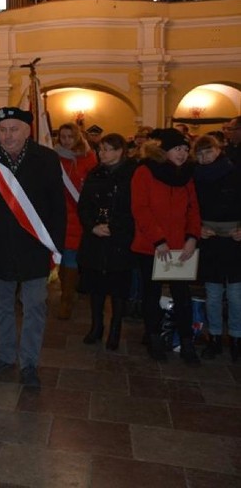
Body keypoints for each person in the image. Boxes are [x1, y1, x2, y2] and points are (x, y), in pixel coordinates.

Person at [0, 107, 66, 388]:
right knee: (1, 306)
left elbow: (57, 208)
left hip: (34, 248)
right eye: (2, 130)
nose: (7, 135)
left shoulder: (47, 159)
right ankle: (5, 355)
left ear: (28, 131)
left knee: (34, 307)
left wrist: (55, 247)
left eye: (13, 129)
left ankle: (29, 363)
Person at [131, 129, 200, 364]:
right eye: (177, 149)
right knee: (151, 294)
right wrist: (158, 239)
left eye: (185, 150)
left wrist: (192, 237)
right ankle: (153, 338)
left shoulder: (186, 175)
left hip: (181, 246)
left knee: (182, 295)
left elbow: (193, 208)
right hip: (151, 245)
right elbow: (141, 208)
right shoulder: (145, 171)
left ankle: (187, 340)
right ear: (165, 150)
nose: (182, 154)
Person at [78, 133, 137, 349]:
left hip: (119, 239)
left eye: (106, 149)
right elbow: (83, 205)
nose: (101, 153)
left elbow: (134, 208)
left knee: (118, 289)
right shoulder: (95, 173)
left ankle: (115, 329)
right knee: (96, 288)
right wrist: (93, 225)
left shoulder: (132, 174)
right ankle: (96, 326)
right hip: (95, 238)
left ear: (119, 151)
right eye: (100, 149)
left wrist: (114, 227)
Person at [192, 135, 241, 361]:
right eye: (200, 154)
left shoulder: (235, 173)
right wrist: (197, 228)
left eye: (208, 153)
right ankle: (213, 336)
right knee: (212, 293)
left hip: (233, 239)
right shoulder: (195, 177)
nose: (204, 158)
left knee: (235, 294)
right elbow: (191, 208)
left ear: (218, 150)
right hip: (210, 239)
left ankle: (236, 337)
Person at [54, 123, 97, 319]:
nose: (66, 140)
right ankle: (67, 289)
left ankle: (67, 299)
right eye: (63, 136)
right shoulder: (54, 156)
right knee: (61, 256)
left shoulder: (88, 157)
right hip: (59, 212)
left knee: (71, 255)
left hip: (79, 213)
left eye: (70, 136)